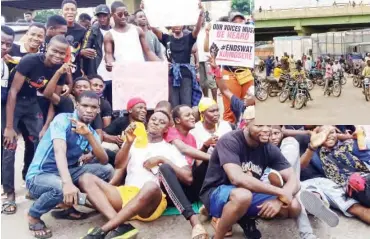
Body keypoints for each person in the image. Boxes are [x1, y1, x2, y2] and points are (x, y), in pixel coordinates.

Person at [79, 111, 190, 239]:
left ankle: (102, 231)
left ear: (167, 129)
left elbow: (188, 177)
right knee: (85, 178)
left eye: (162, 122)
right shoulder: (135, 143)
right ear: (148, 122)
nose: (156, 123)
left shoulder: (170, 149)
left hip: (151, 200)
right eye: (154, 119)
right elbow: (119, 165)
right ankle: (121, 226)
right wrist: (128, 142)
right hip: (126, 195)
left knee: (150, 186)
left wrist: (162, 159)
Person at [26, 90, 113, 238]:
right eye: (85, 105)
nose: (89, 110)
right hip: (40, 175)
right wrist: (67, 183)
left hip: (66, 171)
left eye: (93, 107)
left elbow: (104, 159)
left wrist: (89, 135)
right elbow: (59, 151)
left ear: (98, 110)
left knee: (107, 170)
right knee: (60, 189)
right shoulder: (63, 120)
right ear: (77, 106)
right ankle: (33, 215)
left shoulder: (89, 130)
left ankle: (66, 203)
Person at [2, 36, 70, 216]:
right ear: (46, 48)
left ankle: (35, 187)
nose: (57, 55)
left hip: (33, 103)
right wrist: (9, 127)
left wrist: (46, 126)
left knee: (41, 144)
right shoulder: (30, 60)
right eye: (54, 50)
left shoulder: (60, 70)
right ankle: (9, 193)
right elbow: (13, 92)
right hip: (15, 104)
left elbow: (52, 100)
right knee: (9, 147)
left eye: (62, 53)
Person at [199, 120, 302, 239]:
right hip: (216, 193)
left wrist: (280, 200)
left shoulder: (268, 147)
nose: (266, 129)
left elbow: (293, 179)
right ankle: (217, 236)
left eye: (268, 125)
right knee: (243, 196)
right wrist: (280, 192)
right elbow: (237, 178)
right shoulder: (230, 140)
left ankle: (244, 217)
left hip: (249, 193)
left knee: (293, 206)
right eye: (259, 125)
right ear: (246, 125)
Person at [300, 126, 370, 225]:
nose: (329, 136)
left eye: (332, 132)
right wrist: (312, 146)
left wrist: (351, 137)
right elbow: (301, 166)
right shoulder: (316, 154)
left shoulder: (349, 144)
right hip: (351, 187)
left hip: (365, 177)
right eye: (324, 134)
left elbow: (367, 156)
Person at [146, 1, 204, 108]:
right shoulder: (166, 39)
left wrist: (201, 12)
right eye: (174, 23)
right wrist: (146, 11)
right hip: (171, 74)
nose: (177, 25)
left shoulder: (189, 38)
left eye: (179, 23)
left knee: (186, 104)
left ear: (183, 25)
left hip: (186, 75)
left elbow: (198, 28)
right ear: (170, 26)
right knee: (174, 104)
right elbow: (153, 28)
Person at [104, 1, 160, 74]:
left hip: (140, 72)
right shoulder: (109, 35)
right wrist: (110, 64)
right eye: (120, 14)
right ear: (112, 15)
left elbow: (148, 52)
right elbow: (109, 54)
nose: (123, 17)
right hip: (122, 74)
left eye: (126, 14)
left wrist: (162, 64)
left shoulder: (137, 30)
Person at [82, 4, 113, 104]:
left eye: (104, 16)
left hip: (113, 70)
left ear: (110, 15)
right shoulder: (92, 30)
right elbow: (85, 47)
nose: (102, 18)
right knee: (98, 101)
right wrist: (84, 51)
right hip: (97, 71)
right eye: (99, 16)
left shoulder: (115, 30)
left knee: (114, 102)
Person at [1, 25, 15, 214]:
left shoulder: (6, 63)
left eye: (8, 44)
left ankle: (9, 193)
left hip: (4, 114)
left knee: (8, 152)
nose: (4, 47)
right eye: (1, 42)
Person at [62, 0, 89, 78]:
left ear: (76, 12)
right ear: (62, 12)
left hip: (75, 71)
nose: (70, 12)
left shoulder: (82, 30)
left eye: (73, 9)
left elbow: (84, 52)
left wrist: (84, 69)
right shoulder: (56, 28)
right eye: (67, 9)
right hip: (57, 70)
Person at [196, 20, 217, 101]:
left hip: (208, 58)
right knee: (203, 83)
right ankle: (206, 101)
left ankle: (215, 101)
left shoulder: (209, 26)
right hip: (199, 58)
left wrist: (213, 57)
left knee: (211, 81)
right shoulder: (195, 29)